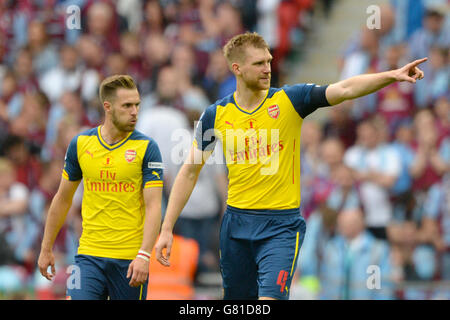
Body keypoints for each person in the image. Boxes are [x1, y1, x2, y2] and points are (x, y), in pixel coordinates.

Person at [154, 31, 427, 300]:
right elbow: (189, 171)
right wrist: (167, 227)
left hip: (280, 226)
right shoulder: (216, 114)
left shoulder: (289, 101)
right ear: (237, 68)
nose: (267, 68)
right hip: (236, 224)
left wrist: (391, 75)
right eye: (259, 63)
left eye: (269, 61)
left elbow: (344, 89)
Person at [37, 75, 164, 300]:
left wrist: (144, 255)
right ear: (108, 107)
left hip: (129, 261)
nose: (135, 111)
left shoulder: (147, 147)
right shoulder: (81, 144)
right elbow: (63, 198)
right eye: (127, 105)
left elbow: (154, 205)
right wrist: (46, 247)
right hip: (88, 257)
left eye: (137, 105)